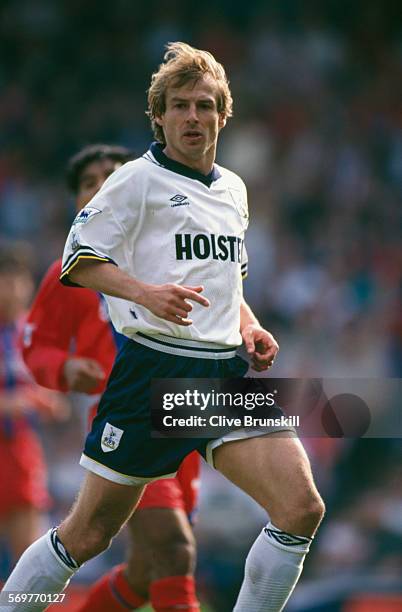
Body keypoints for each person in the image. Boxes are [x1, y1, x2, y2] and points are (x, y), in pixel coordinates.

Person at [1, 42, 325, 612]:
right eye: (179, 106)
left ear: (224, 115)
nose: (192, 117)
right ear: (159, 116)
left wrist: (250, 326)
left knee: (302, 508)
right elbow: (79, 259)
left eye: (204, 105)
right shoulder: (134, 180)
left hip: (223, 378)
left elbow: (229, 281)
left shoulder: (233, 190)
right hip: (153, 374)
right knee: (87, 536)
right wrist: (144, 292)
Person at [22, 144, 201, 611]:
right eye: (88, 183)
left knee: (145, 573)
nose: (102, 187)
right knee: (173, 550)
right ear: (77, 203)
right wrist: (63, 368)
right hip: (127, 417)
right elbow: (36, 343)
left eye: (113, 176)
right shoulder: (71, 269)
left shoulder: (175, 250)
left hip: (184, 414)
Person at [0, 244, 66, 568]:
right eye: (5, 280)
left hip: (21, 451)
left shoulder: (33, 332)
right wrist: (10, 404)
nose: (12, 290)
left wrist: (49, 401)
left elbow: (56, 393)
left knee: (28, 557)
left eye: (18, 280)